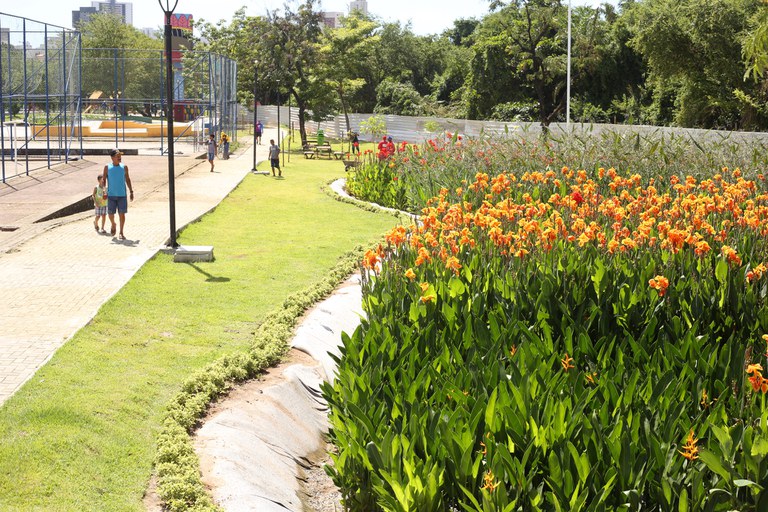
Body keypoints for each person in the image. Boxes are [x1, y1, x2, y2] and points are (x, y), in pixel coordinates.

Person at [102, 149, 133, 240]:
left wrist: (131, 191)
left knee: (122, 214)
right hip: (111, 195)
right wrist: (104, 191)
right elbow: (104, 180)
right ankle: (113, 224)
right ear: (112, 157)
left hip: (122, 195)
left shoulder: (124, 167)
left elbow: (127, 179)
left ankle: (121, 232)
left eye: (120, 155)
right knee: (110, 214)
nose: (119, 157)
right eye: (117, 156)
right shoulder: (107, 167)